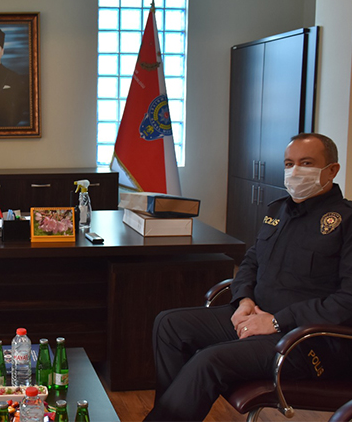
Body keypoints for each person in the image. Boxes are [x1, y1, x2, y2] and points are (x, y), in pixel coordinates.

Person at [145, 133, 352, 421]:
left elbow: (346, 301)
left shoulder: (346, 221)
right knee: (169, 325)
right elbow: (251, 261)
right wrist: (244, 300)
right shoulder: (278, 210)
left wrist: (276, 321)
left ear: (332, 170)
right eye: (289, 164)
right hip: (255, 316)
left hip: (306, 340)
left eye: (306, 163)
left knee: (208, 360)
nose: (295, 171)